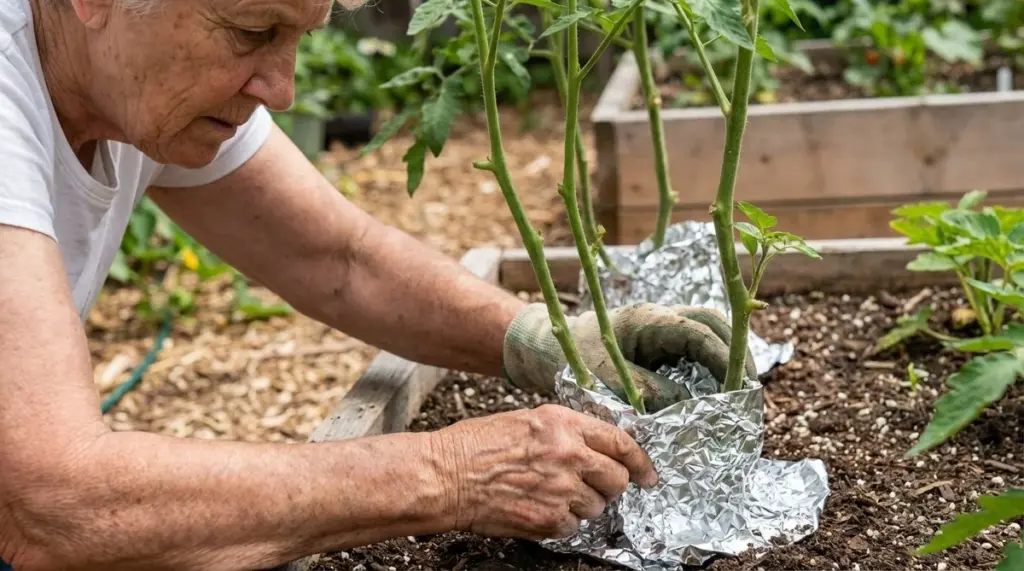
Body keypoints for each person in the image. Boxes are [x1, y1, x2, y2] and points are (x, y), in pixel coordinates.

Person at [0, 0, 754, 569]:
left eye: (299, 36)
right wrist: (451, 470)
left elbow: (340, 259)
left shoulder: (132, 78)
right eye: (254, 32)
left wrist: (543, 339)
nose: (284, 89)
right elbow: (50, 504)